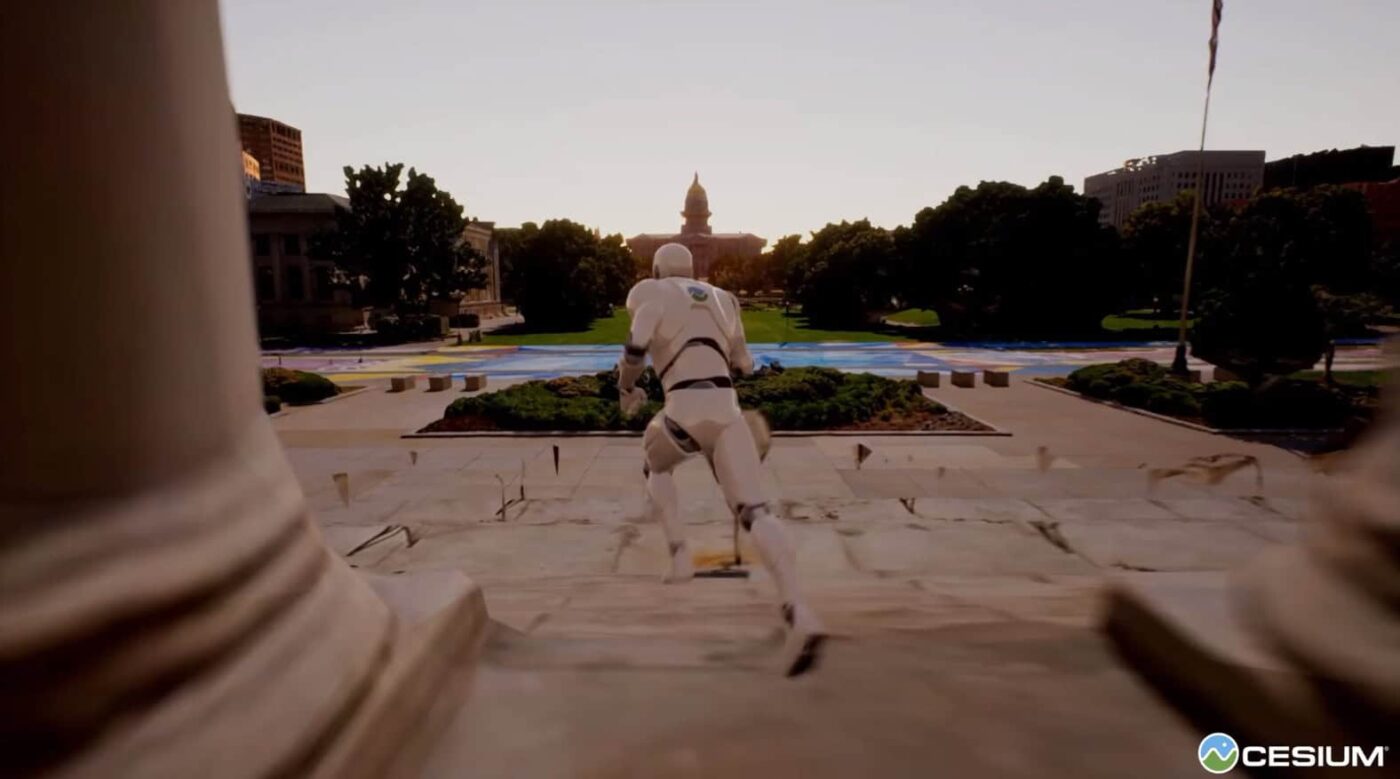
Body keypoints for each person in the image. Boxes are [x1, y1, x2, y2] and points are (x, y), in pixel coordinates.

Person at [616, 242, 826, 676]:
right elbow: (744, 363)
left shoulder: (651, 293)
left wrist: (627, 388)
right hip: (727, 412)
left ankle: (679, 555)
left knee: (653, 465)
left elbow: (635, 348)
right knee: (756, 510)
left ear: (657, 269)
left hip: (683, 411)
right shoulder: (724, 299)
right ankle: (799, 608)